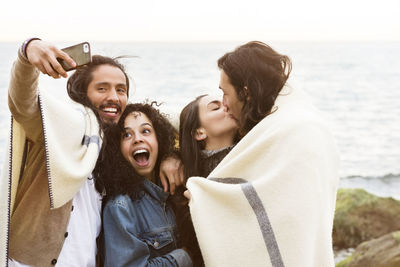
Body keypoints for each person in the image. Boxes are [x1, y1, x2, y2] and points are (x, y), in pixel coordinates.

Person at [0, 39, 183, 267]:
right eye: (102, 88)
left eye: (121, 90)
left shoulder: (113, 147)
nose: (114, 97)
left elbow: (177, 121)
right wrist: (27, 52)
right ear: (82, 93)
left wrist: (171, 155)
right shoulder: (59, 126)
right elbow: (21, 103)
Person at [185, 41, 340, 267]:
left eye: (225, 94)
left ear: (245, 92)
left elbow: (278, 203)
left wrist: (205, 197)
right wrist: (171, 152)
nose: (225, 104)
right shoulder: (274, 123)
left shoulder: (296, 129)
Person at [95, 103, 192, 267]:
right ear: (117, 149)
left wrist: (173, 155)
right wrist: (186, 255)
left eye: (146, 131)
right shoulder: (120, 207)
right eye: (126, 135)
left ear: (159, 138)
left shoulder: (179, 184)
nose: (138, 139)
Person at [175, 94, 239, 267]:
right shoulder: (191, 185)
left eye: (225, 102)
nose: (226, 106)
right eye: (215, 107)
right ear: (199, 132)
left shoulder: (255, 151)